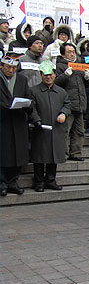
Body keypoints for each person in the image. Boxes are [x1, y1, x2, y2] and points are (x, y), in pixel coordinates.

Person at [29, 61, 71, 192]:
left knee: (54, 156)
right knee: (39, 157)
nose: (48, 77)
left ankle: (51, 180)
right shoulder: (34, 91)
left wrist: (64, 113)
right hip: (41, 129)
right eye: (45, 75)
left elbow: (68, 105)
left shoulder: (61, 92)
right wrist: (37, 121)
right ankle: (39, 181)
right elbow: (32, 108)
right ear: (41, 75)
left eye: (50, 74)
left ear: (54, 75)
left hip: (57, 129)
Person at [0, 54, 30, 195]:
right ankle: (2, 182)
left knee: (17, 152)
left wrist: (27, 105)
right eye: (8, 67)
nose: (11, 71)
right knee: (3, 152)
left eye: (13, 68)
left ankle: (13, 181)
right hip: (3, 120)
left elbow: (28, 96)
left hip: (18, 120)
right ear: (1, 66)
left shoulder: (22, 80)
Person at [55, 43, 89, 161]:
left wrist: (87, 77)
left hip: (80, 102)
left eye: (73, 51)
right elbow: (55, 82)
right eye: (69, 51)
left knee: (79, 131)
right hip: (67, 104)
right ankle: (63, 153)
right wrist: (65, 75)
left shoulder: (79, 64)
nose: (72, 54)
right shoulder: (59, 65)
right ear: (63, 53)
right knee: (66, 130)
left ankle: (76, 153)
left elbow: (87, 84)